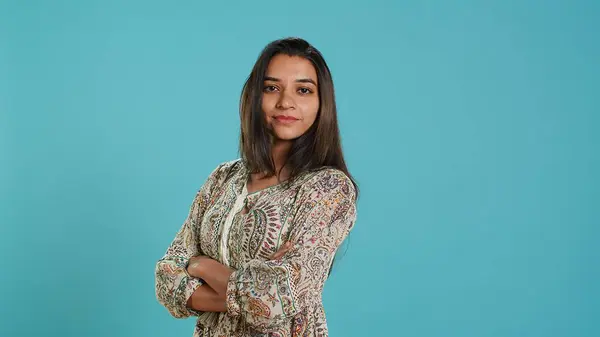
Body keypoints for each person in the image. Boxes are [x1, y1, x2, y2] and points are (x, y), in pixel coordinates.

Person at [154, 37, 359, 337]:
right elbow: (166, 278)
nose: (285, 102)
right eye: (271, 87)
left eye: (303, 90)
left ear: (321, 103)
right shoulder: (222, 180)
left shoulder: (327, 189)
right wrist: (246, 286)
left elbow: (275, 297)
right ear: (254, 96)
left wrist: (199, 266)